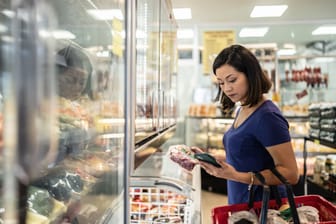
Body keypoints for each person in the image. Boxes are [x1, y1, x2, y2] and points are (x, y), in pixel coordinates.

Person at [194, 44, 299, 205]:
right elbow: (251, 154)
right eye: (221, 83)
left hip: (263, 207)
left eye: (232, 80)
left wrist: (234, 175)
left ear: (250, 74)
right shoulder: (243, 108)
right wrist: (217, 160)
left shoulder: (267, 116)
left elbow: (291, 174)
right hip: (242, 202)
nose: (227, 88)